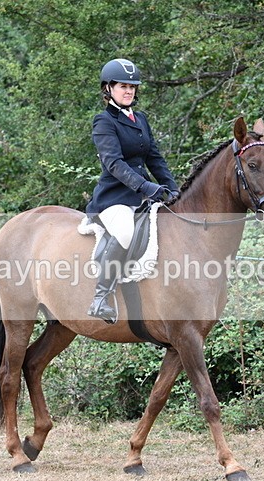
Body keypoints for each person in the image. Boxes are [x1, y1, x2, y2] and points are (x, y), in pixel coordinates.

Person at [85, 58, 179, 324]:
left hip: (143, 198)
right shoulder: (103, 122)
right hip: (114, 199)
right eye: (123, 86)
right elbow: (113, 163)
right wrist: (146, 186)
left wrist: (173, 190)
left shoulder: (141, 119)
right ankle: (101, 297)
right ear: (109, 89)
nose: (129, 91)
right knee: (125, 231)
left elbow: (155, 159)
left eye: (133, 87)